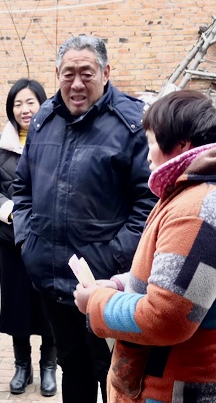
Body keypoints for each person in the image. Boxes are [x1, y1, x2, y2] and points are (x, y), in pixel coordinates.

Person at [13, 35, 157, 403]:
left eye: (87, 73)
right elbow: (22, 187)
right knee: (71, 366)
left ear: (106, 73)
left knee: (111, 372)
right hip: (50, 275)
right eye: (68, 74)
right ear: (57, 74)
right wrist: (28, 241)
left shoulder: (131, 124)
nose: (76, 84)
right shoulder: (44, 119)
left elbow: (148, 201)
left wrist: (112, 258)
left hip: (105, 282)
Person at [74, 90, 216, 403]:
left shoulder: (197, 208)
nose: (147, 156)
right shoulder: (189, 193)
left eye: (151, 142)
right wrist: (117, 284)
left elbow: (165, 318)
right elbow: (172, 276)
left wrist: (96, 302)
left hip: (173, 390)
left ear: (181, 144)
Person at [0, 78, 56, 397]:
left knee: (50, 302)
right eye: (18, 104)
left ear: (43, 104)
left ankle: (49, 366)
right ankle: (22, 366)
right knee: (17, 303)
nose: (24, 109)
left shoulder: (57, 139)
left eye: (31, 102)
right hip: (12, 237)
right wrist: (11, 212)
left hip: (49, 239)